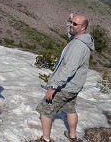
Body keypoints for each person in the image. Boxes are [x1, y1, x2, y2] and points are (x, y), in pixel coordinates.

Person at [31, 14, 95, 142]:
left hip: (64, 87)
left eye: (75, 24)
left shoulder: (78, 46)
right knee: (70, 109)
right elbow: (71, 34)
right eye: (72, 22)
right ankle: (72, 136)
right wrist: (68, 21)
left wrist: (54, 86)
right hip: (74, 86)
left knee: (45, 111)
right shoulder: (81, 40)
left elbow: (69, 69)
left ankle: (45, 139)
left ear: (83, 28)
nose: (72, 25)